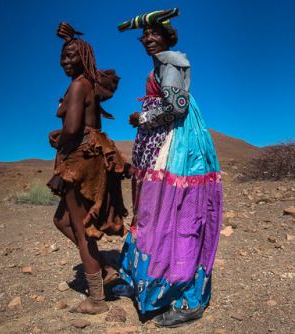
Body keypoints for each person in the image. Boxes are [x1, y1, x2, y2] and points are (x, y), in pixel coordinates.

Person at [115, 8, 223, 327]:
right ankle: (146, 282)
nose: (148, 39)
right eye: (145, 35)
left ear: (167, 37)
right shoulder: (160, 66)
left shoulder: (169, 63)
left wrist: (143, 118)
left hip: (178, 153)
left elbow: (177, 106)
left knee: (175, 217)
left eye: (155, 34)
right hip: (165, 148)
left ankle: (186, 299)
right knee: (155, 214)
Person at [47, 22, 130, 315]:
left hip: (81, 160)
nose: (66, 62)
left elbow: (71, 127)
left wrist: (60, 137)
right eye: (63, 57)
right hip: (89, 154)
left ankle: (96, 300)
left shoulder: (79, 85)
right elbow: (80, 125)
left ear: (84, 58)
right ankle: (105, 268)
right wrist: (65, 135)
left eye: (71, 56)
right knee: (62, 220)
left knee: (81, 231)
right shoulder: (87, 85)